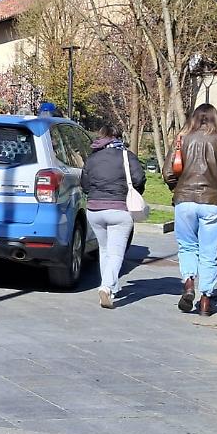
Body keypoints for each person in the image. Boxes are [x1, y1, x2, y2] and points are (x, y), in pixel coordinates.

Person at [164, 104, 217, 316]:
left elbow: (168, 172)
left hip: (184, 201)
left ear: (194, 119)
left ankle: (189, 283)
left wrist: (178, 189)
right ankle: (206, 300)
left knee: (187, 246)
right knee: (209, 252)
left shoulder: (181, 139)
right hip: (212, 202)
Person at [81, 125, 145, 309]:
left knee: (104, 249)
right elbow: (139, 179)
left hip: (94, 210)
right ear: (118, 137)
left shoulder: (92, 158)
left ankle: (111, 286)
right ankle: (107, 286)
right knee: (116, 252)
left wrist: (94, 194)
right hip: (120, 209)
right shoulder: (127, 156)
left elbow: (84, 183)